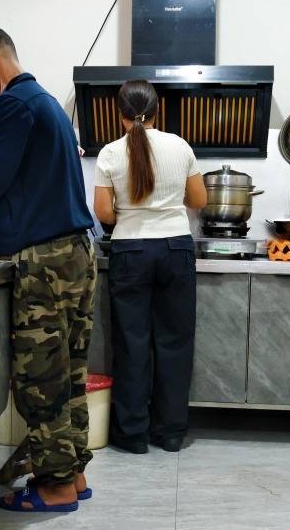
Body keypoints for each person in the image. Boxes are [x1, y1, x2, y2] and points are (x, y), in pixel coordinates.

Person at [0, 25, 96, 513]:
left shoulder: (12, 105)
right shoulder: (46, 105)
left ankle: (55, 486)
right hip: (74, 255)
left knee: (41, 379)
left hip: (45, 262)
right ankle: (72, 472)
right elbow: (13, 196)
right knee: (68, 372)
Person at [93, 79, 207, 454]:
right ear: (159, 110)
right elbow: (199, 200)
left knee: (132, 343)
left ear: (120, 114)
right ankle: (170, 432)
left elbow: (104, 212)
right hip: (175, 249)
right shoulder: (180, 146)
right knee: (174, 342)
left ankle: (132, 434)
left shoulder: (110, 153)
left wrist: (130, 214)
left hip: (130, 251)